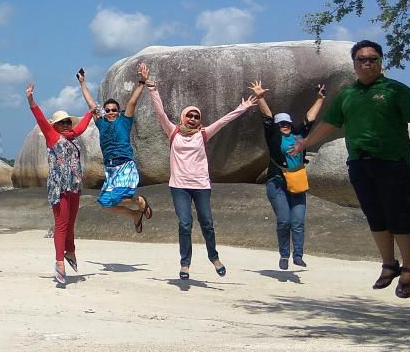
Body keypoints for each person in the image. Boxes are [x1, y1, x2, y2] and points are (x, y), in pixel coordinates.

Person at [288, 40, 410, 298]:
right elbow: (328, 124)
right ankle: (389, 264)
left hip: (393, 162)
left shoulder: (396, 91)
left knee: (399, 215)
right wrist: (305, 143)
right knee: (375, 217)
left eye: (373, 59)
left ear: (380, 62)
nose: (367, 63)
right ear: (354, 64)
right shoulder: (346, 95)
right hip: (359, 163)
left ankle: (409, 267)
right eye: (362, 59)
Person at [147, 75, 261, 280]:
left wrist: (243, 107)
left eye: (196, 116)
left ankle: (214, 257)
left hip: (201, 185)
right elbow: (160, 114)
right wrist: (152, 89)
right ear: (183, 118)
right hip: (179, 185)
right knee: (184, 224)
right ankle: (185, 264)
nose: (192, 119)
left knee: (207, 222)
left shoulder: (204, 134)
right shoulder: (173, 132)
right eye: (189, 115)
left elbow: (224, 121)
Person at [26, 82, 96, 286]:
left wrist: (91, 111)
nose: (67, 125)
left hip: (74, 185)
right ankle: (59, 263)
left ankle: (71, 251)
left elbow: (82, 124)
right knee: (61, 224)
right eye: (62, 122)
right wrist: (31, 99)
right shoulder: (51, 136)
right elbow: (39, 117)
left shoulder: (73, 136)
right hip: (59, 187)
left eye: (68, 122)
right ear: (55, 125)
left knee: (71, 223)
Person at [251, 80, 325, 270]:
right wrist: (260, 98)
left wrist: (319, 99)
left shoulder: (299, 134)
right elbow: (267, 117)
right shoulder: (274, 137)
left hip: (297, 182)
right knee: (284, 220)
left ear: (291, 124)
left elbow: (309, 119)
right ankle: (284, 255)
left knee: (298, 221)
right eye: (281, 123)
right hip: (277, 183)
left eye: (287, 123)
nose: (284, 125)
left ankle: (298, 255)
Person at [78, 63, 153, 229]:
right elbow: (91, 104)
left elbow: (132, 102)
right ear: (104, 112)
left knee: (122, 197)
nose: (111, 112)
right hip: (110, 168)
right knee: (106, 204)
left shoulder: (124, 121)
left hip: (125, 164)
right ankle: (135, 214)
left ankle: (140, 202)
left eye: (114, 110)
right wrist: (82, 83)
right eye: (108, 110)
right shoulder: (101, 123)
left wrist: (142, 82)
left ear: (119, 112)